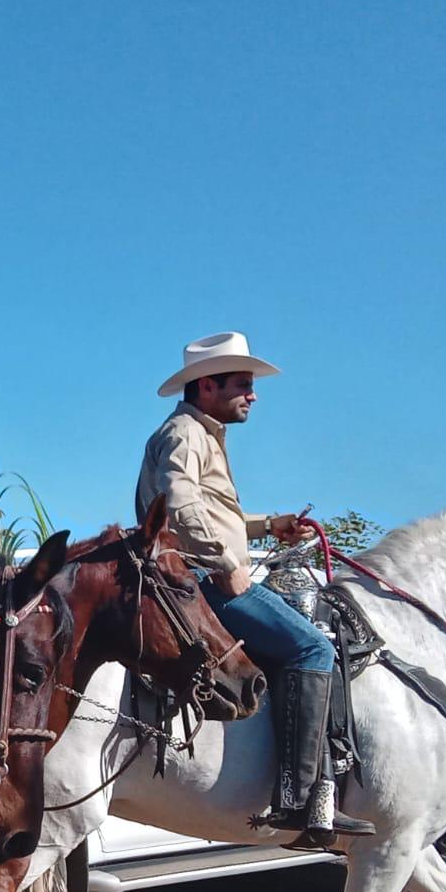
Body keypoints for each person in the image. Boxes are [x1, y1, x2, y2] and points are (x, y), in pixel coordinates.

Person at [136, 331, 373, 847]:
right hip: (203, 581)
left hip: (200, 573)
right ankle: (299, 795)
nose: (253, 394)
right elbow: (180, 506)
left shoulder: (199, 433)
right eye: (242, 384)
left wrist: (270, 525)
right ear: (206, 386)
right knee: (313, 646)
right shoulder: (185, 434)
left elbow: (215, 512)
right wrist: (226, 565)